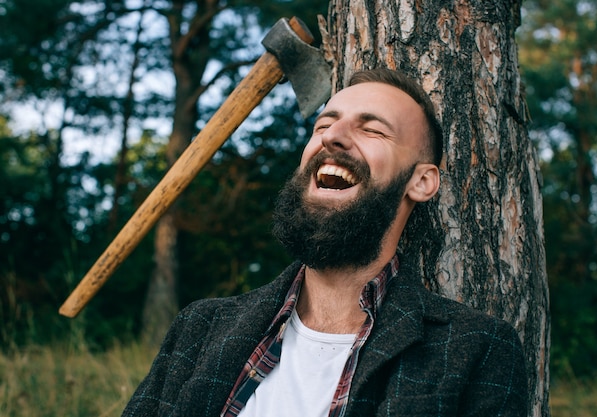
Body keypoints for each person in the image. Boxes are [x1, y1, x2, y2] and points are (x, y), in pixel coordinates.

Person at [121, 68, 528, 417]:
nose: (332, 137)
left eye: (372, 129)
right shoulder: (201, 327)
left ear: (421, 181)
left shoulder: (478, 349)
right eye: (322, 125)